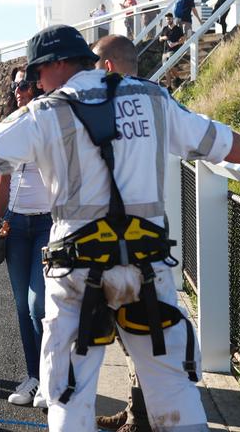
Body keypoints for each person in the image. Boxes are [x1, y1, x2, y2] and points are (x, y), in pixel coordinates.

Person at [0, 24, 240, 432]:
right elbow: (217, 140)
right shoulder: (152, 97)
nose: (36, 82)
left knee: (68, 394)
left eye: (37, 72)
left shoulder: (44, 113)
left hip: (77, 272)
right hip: (147, 268)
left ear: (58, 65)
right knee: (174, 389)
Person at [92, 34, 151, 432]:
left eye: (95, 67)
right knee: (129, 334)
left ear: (108, 67)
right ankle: (136, 410)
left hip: (124, 239)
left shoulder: (108, 107)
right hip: (142, 236)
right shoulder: (156, 102)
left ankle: (143, 417)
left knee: (136, 334)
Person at [0, 65, 50, 408]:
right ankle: (32, 376)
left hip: (46, 223)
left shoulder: (50, 123)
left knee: (38, 304)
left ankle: (48, 379)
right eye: (15, 85)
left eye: (25, 84)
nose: (18, 90)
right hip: (15, 225)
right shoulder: (8, 127)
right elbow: (2, 181)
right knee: (20, 304)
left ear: (39, 86)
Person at [159, 12, 185, 90]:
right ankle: (169, 86)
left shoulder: (177, 29)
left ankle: (177, 78)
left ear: (172, 19)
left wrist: (175, 43)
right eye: (167, 19)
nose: (168, 20)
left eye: (169, 19)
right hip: (165, 51)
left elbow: (183, 39)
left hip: (174, 50)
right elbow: (160, 39)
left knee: (169, 65)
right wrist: (164, 38)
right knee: (166, 69)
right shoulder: (164, 29)